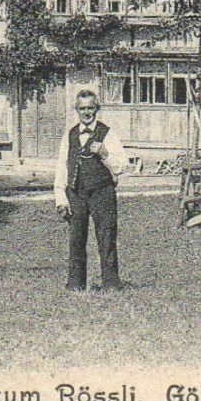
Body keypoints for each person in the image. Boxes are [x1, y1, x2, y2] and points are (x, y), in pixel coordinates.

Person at [53, 89, 126, 292]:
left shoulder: (107, 133)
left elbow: (120, 167)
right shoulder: (71, 135)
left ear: (97, 109)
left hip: (102, 192)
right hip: (76, 192)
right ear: (77, 110)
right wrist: (61, 199)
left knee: (107, 236)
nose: (87, 112)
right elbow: (62, 167)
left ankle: (111, 284)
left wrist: (105, 155)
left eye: (90, 108)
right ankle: (75, 284)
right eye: (82, 108)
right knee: (76, 238)